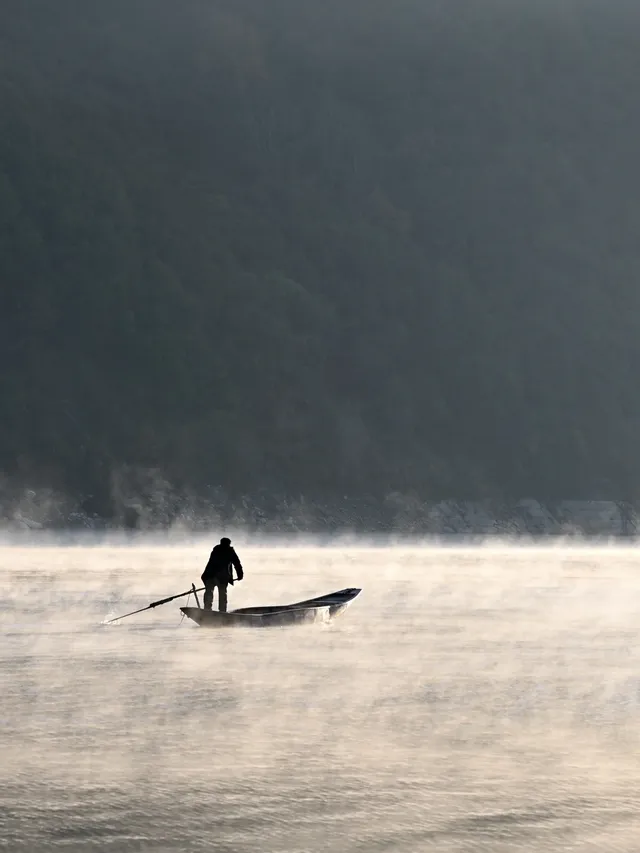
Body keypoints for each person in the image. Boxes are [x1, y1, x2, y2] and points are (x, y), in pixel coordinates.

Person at [201, 537, 243, 612]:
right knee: (221, 593)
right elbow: (237, 564)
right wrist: (240, 575)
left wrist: (240, 574)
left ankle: (208, 610)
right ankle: (221, 611)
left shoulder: (216, 550)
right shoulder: (229, 551)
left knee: (209, 592)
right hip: (219, 577)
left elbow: (237, 564)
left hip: (211, 576)